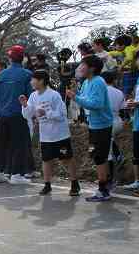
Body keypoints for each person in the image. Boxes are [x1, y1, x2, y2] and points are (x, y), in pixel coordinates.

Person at [20, 70, 80, 196]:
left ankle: (75, 183)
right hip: (45, 135)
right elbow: (28, 115)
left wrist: (46, 113)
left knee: (66, 159)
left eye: (33, 79)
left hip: (60, 134)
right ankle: (47, 185)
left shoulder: (54, 95)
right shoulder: (33, 96)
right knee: (46, 160)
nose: (31, 82)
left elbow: (62, 115)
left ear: (41, 81)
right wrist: (25, 105)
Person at [66, 56, 113, 202]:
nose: (80, 67)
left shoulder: (98, 82)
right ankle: (105, 186)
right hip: (94, 124)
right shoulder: (87, 82)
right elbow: (85, 98)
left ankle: (103, 190)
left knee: (100, 157)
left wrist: (76, 97)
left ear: (92, 68)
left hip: (102, 125)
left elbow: (96, 104)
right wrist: (76, 93)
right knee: (98, 156)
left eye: (83, 64)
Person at [0, 45, 34, 185]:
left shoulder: (1, 74)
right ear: (23, 58)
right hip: (19, 114)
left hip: (2, 115)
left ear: (9, 58)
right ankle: (16, 174)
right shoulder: (27, 74)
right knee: (19, 144)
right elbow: (30, 96)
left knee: (1, 144)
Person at [102, 71, 125, 185]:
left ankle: (109, 179)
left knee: (107, 154)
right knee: (110, 143)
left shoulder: (102, 91)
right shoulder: (119, 92)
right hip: (118, 122)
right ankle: (119, 155)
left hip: (106, 123)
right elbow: (122, 108)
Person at [123, 51, 139, 192]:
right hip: (137, 122)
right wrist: (132, 102)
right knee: (137, 153)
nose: (137, 62)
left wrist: (136, 103)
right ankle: (137, 181)